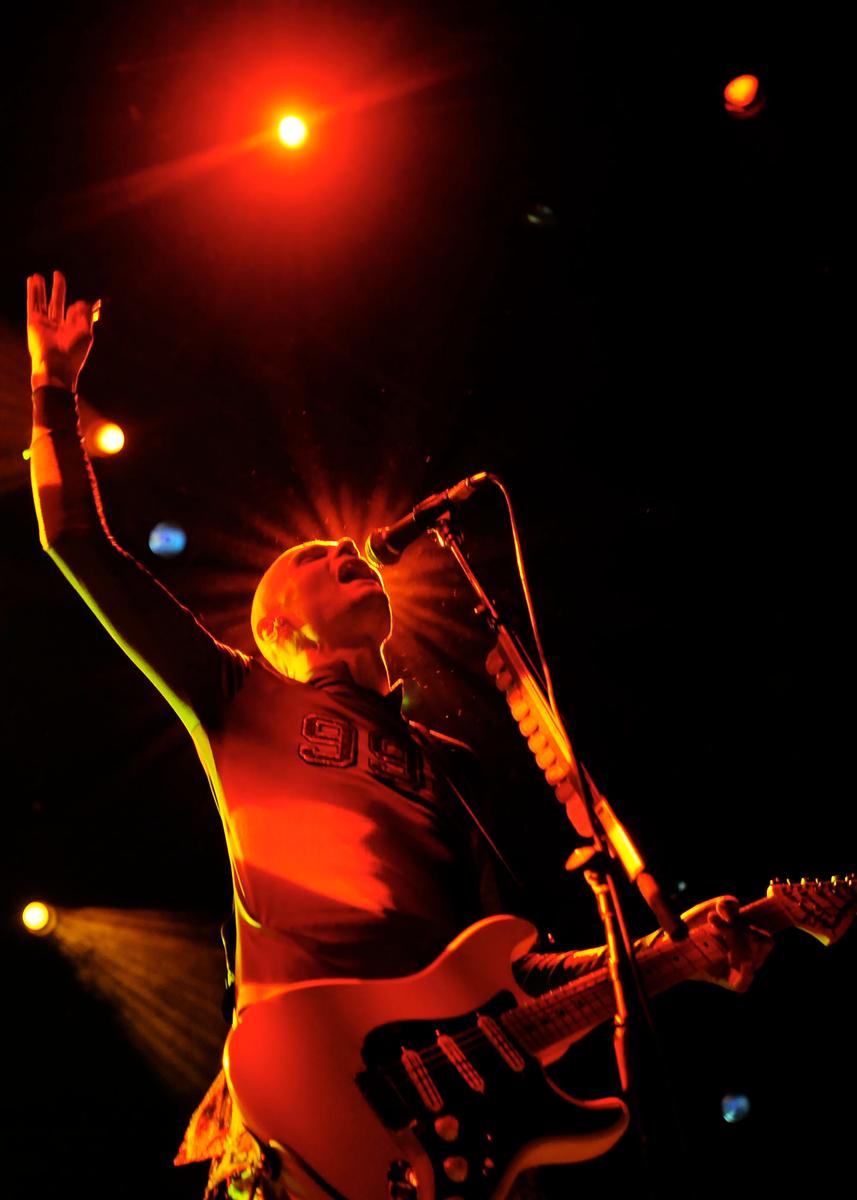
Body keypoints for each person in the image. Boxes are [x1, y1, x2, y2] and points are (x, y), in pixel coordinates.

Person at [27, 270, 772, 1200]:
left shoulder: (447, 771)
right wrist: (52, 387)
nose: (343, 550)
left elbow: (517, 979)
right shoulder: (237, 696)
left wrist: (675, 957)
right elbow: (77, 544)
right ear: (276, 631)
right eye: (310, 557)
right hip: (304, 1091)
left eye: (342, 550)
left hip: (437, 1121)